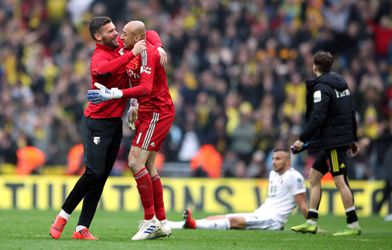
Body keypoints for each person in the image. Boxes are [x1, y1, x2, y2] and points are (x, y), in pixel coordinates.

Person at [49, 16, 164, 240]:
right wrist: (132, 54)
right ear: (98, 37)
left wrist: (158, 47)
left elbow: (147, 33)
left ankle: (82, 228)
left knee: (101, 176)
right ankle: (63, 215)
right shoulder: (99, 57)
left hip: (113, 123)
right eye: (110, 32)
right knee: (93, 172)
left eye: (116, 30)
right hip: (96, 123)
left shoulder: (120, 45)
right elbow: (104, 70)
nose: (117, 34)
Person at [87, 21, 175, 240]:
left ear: (137, 39)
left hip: (157, 111)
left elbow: (145, 88)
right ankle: (162, 222)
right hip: (145, 110)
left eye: (124, 34)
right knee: (149, 166)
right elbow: (151, 31)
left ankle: (149, 221)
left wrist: (115, 94)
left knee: (135, 161)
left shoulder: (147, 54)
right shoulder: (128, 46)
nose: (119, 37)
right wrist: (134, 105)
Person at [290, 51, 361, 236]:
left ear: (314, 66)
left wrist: (302, 139)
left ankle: (353, 225)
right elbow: (350, 112)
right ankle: (311, 222)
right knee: (314, 176)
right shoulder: (342, 83)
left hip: (334, 142)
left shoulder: (321, 89)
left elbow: (317, 117)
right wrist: (353, 138)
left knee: (340, 181)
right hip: (335, 139)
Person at [167, 148, 308, 231]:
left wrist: (311, 224)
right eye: (273, 158)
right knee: (224, 217)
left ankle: (194, 224)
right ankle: (176, 225)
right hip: (261, 213)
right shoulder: (273, 173)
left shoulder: (295, 177)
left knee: (234, 221)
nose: (274, 162)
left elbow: (302, 204)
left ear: (288, 161)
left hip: (273, 220)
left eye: (278, 159)